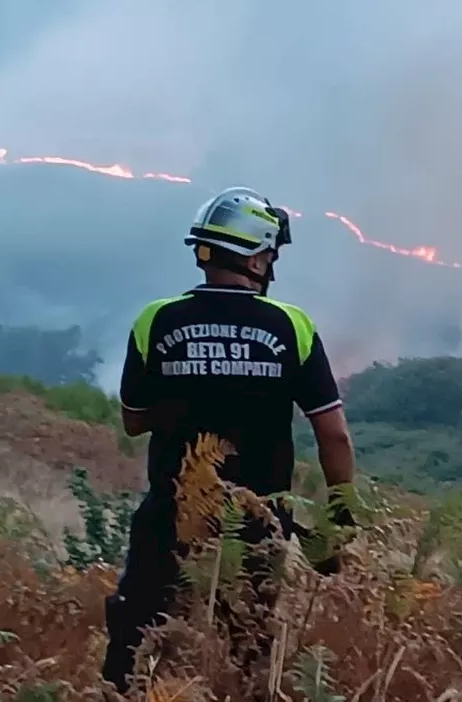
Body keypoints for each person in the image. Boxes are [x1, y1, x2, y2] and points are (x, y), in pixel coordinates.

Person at [101, 186, 357, 693]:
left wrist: (192, 396)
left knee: (135, 652)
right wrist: (338, 518)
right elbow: (334, 434)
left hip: (170, 520)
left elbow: (133, 421)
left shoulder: (156, 320)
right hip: (257, 525)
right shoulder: (292, 326)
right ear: (257, 254)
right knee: (246, 659)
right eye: (270, 253)